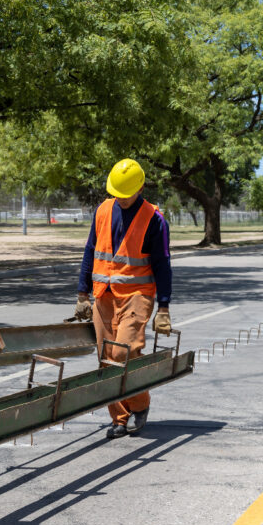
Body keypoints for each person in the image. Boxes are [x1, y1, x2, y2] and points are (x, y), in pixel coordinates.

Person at [76, 159, 172, 439]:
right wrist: (82, 293)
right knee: (106, 358)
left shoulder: (154, 219)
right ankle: (119, 417)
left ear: (140, 188)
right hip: (103, 295)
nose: (120, 198)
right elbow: (90, 250)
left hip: (137, 295)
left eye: (126, 193)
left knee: (123, 353)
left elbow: (162, 264)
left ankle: (140, 405)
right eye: (117, 192)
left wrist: (163, 307)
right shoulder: (104, 210)